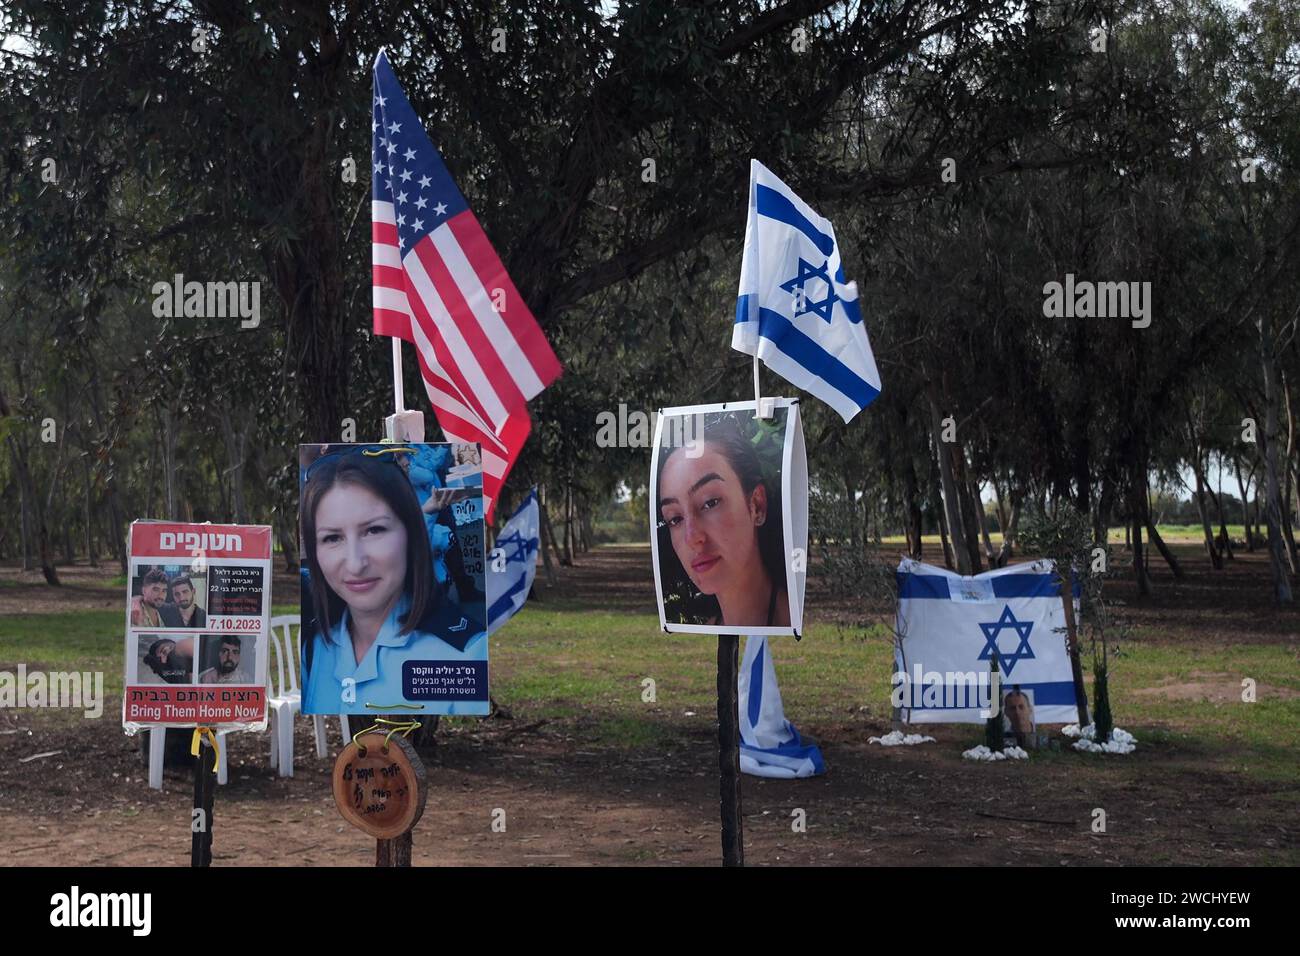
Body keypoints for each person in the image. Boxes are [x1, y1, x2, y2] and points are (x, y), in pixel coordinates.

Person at [299, 444, 486, 714]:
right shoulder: (313, 650)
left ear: (411, 531)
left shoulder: (467, 654)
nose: (355, 563)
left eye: (374, 530)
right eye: (332, 538)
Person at [656, 418, 789, 628]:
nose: (692, 538)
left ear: (756, 506)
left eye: (710, 503)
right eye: (675, 519)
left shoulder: (799, 623)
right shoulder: (705, 631)